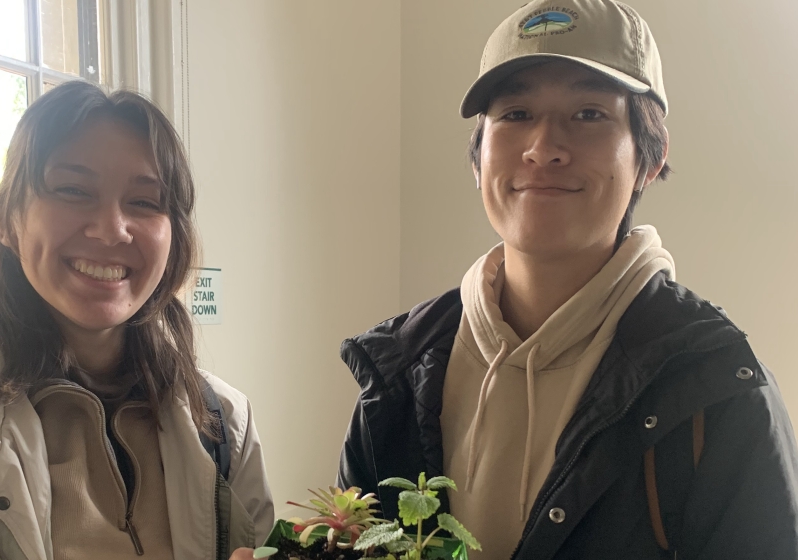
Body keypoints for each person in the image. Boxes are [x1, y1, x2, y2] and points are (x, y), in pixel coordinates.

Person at [337, 0, 798, 558]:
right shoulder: (399, 368)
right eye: (515, 114)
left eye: (588, 114)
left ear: (649, 159)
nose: (543, 149)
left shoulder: (716, 386)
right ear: (479, 156)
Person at [0, 81, 273, 560]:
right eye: (73, 190)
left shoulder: (223, 424)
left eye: (145, 202)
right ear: (6, 221)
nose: (111, 228)